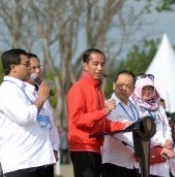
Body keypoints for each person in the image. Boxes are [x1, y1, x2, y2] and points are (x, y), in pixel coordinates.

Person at [67, 48, 127, 177]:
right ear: (85, 66)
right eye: (95, 64)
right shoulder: (78, 88)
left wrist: (125, 126)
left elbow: (103, 123)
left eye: (102, 64)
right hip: (82, 148)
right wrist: (104, 111)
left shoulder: (97, 90)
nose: (100, 68)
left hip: (96, 148)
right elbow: (77, 119)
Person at [0, 48, 55, 177]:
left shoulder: (25, 89)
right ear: (13, 67)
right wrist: (40, 99)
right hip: (23, 163)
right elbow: (26, 117)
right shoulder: (8, 89)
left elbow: (45, 121)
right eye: (26, 64)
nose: (30, 68)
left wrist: (53, 147)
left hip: (40, 159)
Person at [131, 73, 174, 177]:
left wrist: (169, 140)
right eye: (144, 88)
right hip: (146, 156)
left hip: (162, 156)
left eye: (150, 88)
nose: (147, 91)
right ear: (137, 89)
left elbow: (166, 126)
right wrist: (163, 142)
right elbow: (142, 132)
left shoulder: (158, 107)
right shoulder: (134, 108)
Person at [27, 52, 60, 175]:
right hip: (32, 157)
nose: (37, 71)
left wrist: (55, 148)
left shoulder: (42, 94)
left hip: (47, 155)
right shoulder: (21, 94)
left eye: (39, 67)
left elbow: (50, 124)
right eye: (33, 68)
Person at [102, 70, 139, 177]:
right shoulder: (108, 106)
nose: (124, 88)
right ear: (114, 85)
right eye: (120, 85)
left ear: (133, 89)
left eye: (128, 86)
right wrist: (139, 148)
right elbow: (116, 131)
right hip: (114, 162)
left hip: (133, 163)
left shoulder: (135, 108)